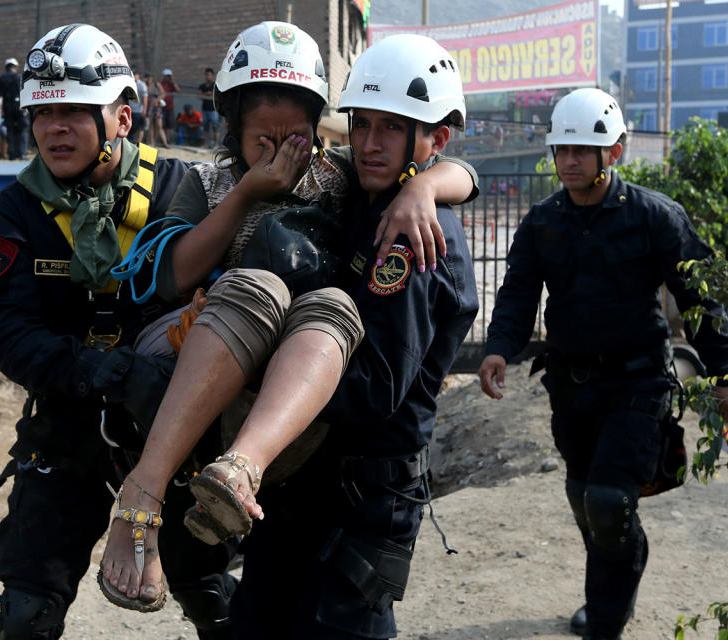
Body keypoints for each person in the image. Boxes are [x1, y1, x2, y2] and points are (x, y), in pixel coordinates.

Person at [97, 24, 477, 635]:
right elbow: (170, 276)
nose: (372, 142)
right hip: (262, 437)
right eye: (364, 126)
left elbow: (378, 385)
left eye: (293, 138)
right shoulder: (217, 185)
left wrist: (432, 183)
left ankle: (230, 477)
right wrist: (249, 195)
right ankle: (145, 495)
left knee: (329, 302)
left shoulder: (364, 196)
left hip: (351, 478)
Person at [0, 24, 257, 640]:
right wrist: (92, 370)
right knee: (27, 608)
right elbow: (9, 332)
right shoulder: (8, 216)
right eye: (43, 112)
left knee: (211, 592)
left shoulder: (185, 189)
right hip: (69, 421)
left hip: (170, 426)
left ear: (122, 117)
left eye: (74, 110)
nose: (54, 127)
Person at [477, 88, 728, 640]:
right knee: (585, 499)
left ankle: (605, 621)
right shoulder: (541, 223)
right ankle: (625, 559)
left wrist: (723, 381)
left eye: (581, 150)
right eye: (561, 150)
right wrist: (498, 348)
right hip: (571, 386)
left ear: (614, 153)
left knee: (607, 501)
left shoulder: (655, 217)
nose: (569, 161)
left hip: (639, 382)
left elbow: (701, 304)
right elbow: (519, 294)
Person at [0, 57, 29, 159]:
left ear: (6, 67)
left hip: (7, 107)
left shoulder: (1, 78)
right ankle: (22, 153)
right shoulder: (19, 77)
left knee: (10, 130)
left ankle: (12, 154)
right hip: (20, 106)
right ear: (16, 67)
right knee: (22, 129)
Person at [198, 67, 218, 149]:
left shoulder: (216, 85)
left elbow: (217, 94)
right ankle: (206, 144)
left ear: (213, 76)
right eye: (206, 75)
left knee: (215, 127)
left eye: (209, 75)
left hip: (214, 110)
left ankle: (216, 144)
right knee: (205, 128)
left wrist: (210, 93)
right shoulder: (202, 86)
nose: (207, 77)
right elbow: (199, 96)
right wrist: (207, 94)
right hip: (205, 109)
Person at [127, 68, 148, 145]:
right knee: (129, 127)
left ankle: (137, 143)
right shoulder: (129, 83)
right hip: (130, 109)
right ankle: (130, 142)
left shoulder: (142, 85)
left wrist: (144, 110)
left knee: (137, 128)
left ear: (138, 76)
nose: (133, 76)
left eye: (135, 74)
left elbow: (145, 98)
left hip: (138, 111)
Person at [158, 67, 180, 141]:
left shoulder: (172, 84)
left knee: (169, 125)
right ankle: (161, 139)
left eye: (169, 76)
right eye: (166, 76)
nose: (167, 77)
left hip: (170, 108)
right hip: (161, 108)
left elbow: (178, 90)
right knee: (161, 124)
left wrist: (173, 82)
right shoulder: (160, 84)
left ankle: (167, 139)